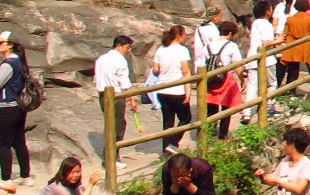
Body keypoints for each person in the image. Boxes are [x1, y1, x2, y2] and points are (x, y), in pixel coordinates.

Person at [0, 31, 33, 181]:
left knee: (4, 144)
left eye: (1, 43)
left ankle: (6, 177)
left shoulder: (8, 64)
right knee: (19, 141)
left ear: (10, 45)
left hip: (7, 107)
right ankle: (25, 175)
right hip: (18, 108)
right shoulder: (20, 62)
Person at [149, 23, 194, 152]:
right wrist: (188, 91)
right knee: (186, 118)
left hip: (162, 90)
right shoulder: (182, 50)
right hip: (177, 90)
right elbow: (186, 72)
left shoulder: (161, 49)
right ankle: (173, 143)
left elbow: (156, 70)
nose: (185, 37)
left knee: (168, 121)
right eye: (184, 35)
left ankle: (165, 148)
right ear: (179, 36)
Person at [203, 19, 245, 138]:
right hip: (226, 78)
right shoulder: (231, 46)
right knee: (227, 107)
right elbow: (237, 65)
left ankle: (209, 133)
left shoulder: (208, 46)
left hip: (210, 78)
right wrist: (242, 79)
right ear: (230, 33)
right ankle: (223, 134)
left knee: (211, 107)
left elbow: (202, 63)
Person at [94, 33, 138, 137]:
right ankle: (113, 151)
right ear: (118, 46)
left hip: (102, 95)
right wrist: (131, 98)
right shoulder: (120, 60)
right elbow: (124, 81)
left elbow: (97, 79)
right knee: (118, 124)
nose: (128, 50)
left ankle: (109, 150)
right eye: (127, 47)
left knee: (109, 123)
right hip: (116, 96)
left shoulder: (101, 59)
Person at [279, 0, 310, 95]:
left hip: (292, 47)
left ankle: (288, 90)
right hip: (305, 47)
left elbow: (285, 33)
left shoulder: (290, 19)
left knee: (292, 69)